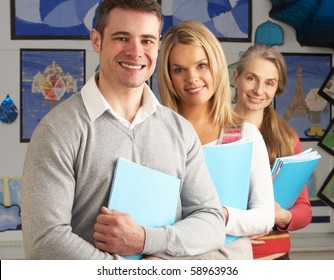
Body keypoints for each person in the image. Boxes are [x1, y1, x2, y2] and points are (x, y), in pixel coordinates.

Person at [20, 0, 226, 260]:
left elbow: (212, 222)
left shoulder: (180, 131)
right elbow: (46, 242)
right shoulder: (58, 130)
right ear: (97, 41)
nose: (136, 51)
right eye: (121, 38)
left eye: (147, 41)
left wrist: (144, 240)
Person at [158, 20, 275, 259]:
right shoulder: (156, 133)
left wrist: (219, 216)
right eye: (179, 69)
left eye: (201, 65)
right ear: (168, 76)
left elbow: (265, 218)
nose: (192, 78)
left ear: (217, 66)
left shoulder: (244, 135)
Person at [233, 44, 312, 260]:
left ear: (277, 89)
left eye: (269, 83)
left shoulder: (287, 138)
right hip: (228, 257)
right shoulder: (213, 132)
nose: (259, 90)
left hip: (277, 260)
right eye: (251, 78)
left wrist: (284, 216)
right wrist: (225, 235)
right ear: (236, 78)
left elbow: (304, 211)